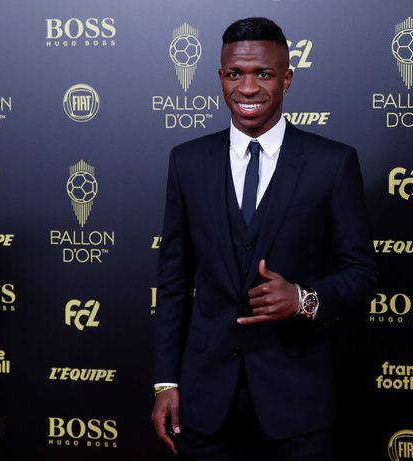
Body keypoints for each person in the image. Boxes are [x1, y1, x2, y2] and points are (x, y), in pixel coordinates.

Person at [151, 17, 377, 461]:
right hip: (204, 401)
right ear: (220, 77)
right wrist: (166, 382)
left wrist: (302, 298)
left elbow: (362, 273)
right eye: (235, 74)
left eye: (264, 74)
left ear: (287, 78)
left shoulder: (332, 163)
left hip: (297, 403)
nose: (248, 88)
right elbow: (174, 281)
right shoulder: (188, 162)